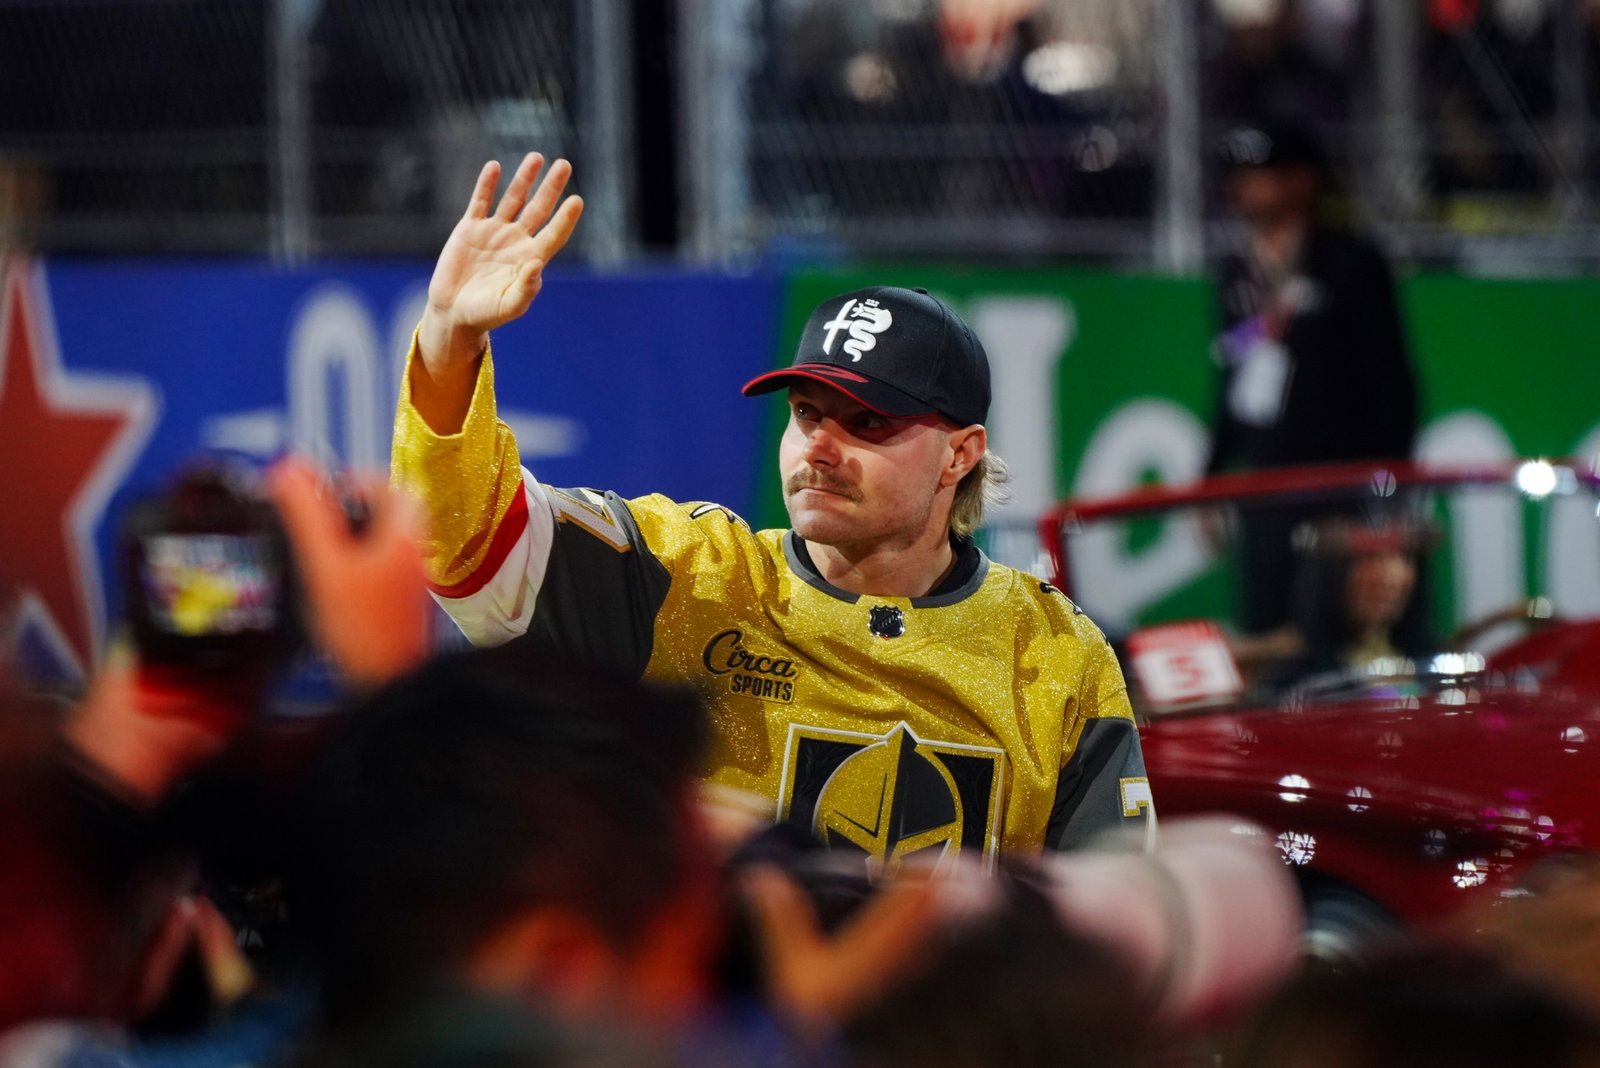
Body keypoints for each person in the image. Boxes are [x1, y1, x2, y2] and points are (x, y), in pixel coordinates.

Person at [389, 152, 1151, 863]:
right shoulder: (685, 575)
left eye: (869, 424)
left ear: (960, 454)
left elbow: (1119, 916)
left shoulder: (1055, 654)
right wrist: (449, 344)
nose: (821, 447)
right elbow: (464, 540)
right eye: (809, 415)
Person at [1207, 118, 1419, 638]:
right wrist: (1211, 474)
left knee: (1340, 635)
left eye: (1263, 173)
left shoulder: (1351, 265)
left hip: (1339, 489)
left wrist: (1385, 495)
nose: (1245, 186)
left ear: (1304, 181)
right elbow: (1236, 383)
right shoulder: (1238, 271)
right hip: (1266, 489)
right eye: (1241, 174)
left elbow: (1391, 385)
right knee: (1269, 631)